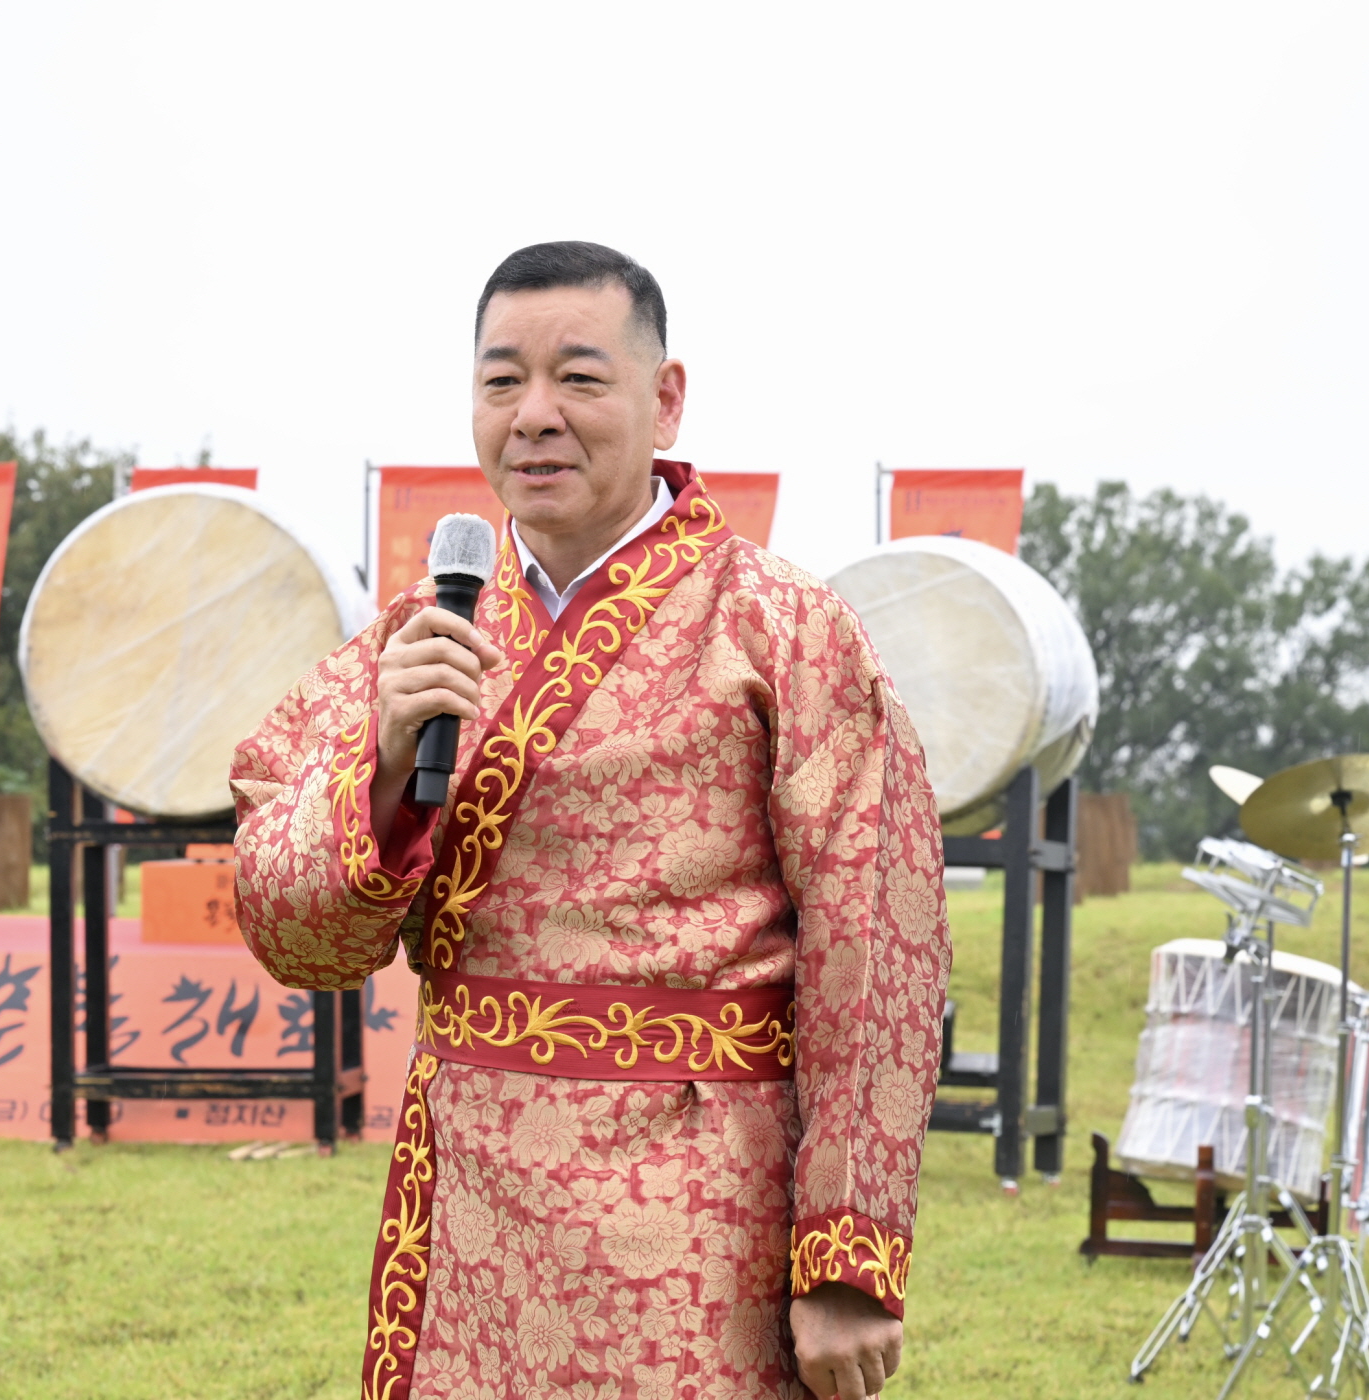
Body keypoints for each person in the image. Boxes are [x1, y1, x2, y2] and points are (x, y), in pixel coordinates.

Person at [233, 241, 949, 1399]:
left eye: (578, 377)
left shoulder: (781, 625)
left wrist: (848, 1253)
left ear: (665, 399)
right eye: (501, 380)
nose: (534, 415)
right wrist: (384, 763)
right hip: (469, 1203)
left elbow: (880, 946)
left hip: (700, 1205)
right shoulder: (422, 636)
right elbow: (293, 930)